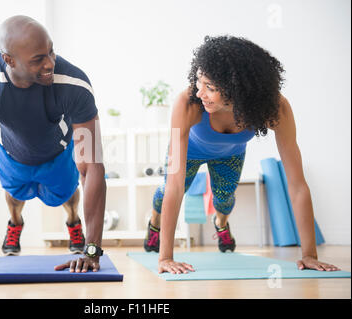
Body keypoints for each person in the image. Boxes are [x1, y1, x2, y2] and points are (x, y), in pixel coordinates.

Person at [143, 35, 341, 274]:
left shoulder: (275, 109)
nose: (200, 92)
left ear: (238, 90)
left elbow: (297, 185)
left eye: (210, 88)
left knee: (224, 200)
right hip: (191, 153)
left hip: (230, 155)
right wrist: (166, 258)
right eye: (198, 81)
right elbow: (175, 185)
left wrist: (309, 255)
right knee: (166, 191)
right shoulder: (188, 103)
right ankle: (154, 224)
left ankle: (221, 224)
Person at [0, 15, 106, 274]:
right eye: (38, 59)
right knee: (15, 195)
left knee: (66, 195)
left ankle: (73, 222)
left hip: (57, 153)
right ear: (8, 59)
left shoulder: (74, 84)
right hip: (10, 152)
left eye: (51, 51)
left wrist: (92, 250)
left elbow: (92, 167)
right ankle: (15, 222)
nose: (50, 63)